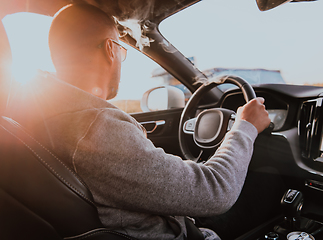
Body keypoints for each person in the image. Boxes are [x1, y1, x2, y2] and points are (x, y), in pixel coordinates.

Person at [7, 3, 271, 240]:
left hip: (144, 220)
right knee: (268, 185)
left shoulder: (38, 116)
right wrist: (245, 126)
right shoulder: (96, 128)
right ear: (111, 49)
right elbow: (215, 191)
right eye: (122, 50)